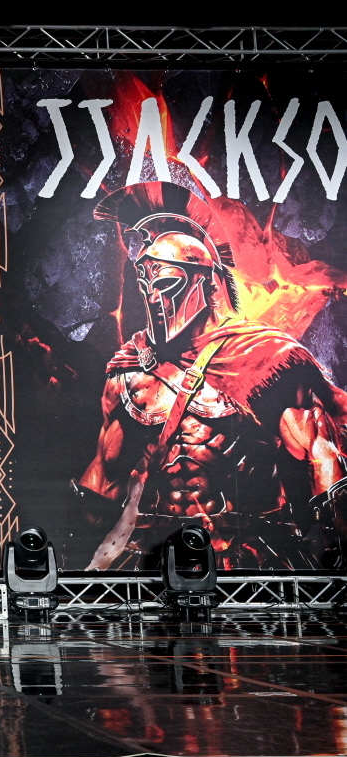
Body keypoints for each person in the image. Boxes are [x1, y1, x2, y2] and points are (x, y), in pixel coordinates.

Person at [75, 182, 347, 571]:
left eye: (166, 283)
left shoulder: (265, 358)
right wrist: (74, 558)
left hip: (250, 560)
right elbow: (104, 477)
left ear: (208, 281)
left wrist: (333, 554)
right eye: (145, 286)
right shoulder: (131, 370)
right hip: (158, 557)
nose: (154, 298)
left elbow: (322, 457)